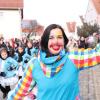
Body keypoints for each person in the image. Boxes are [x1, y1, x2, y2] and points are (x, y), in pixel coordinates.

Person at [7, 24, 100, 100]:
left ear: (64, 41)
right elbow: (19, 93)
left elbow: (97, 54)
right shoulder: (34, 65)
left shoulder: (73, 58)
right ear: (45, 41)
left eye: (60, 37)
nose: (56, 41)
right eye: (51, 37)